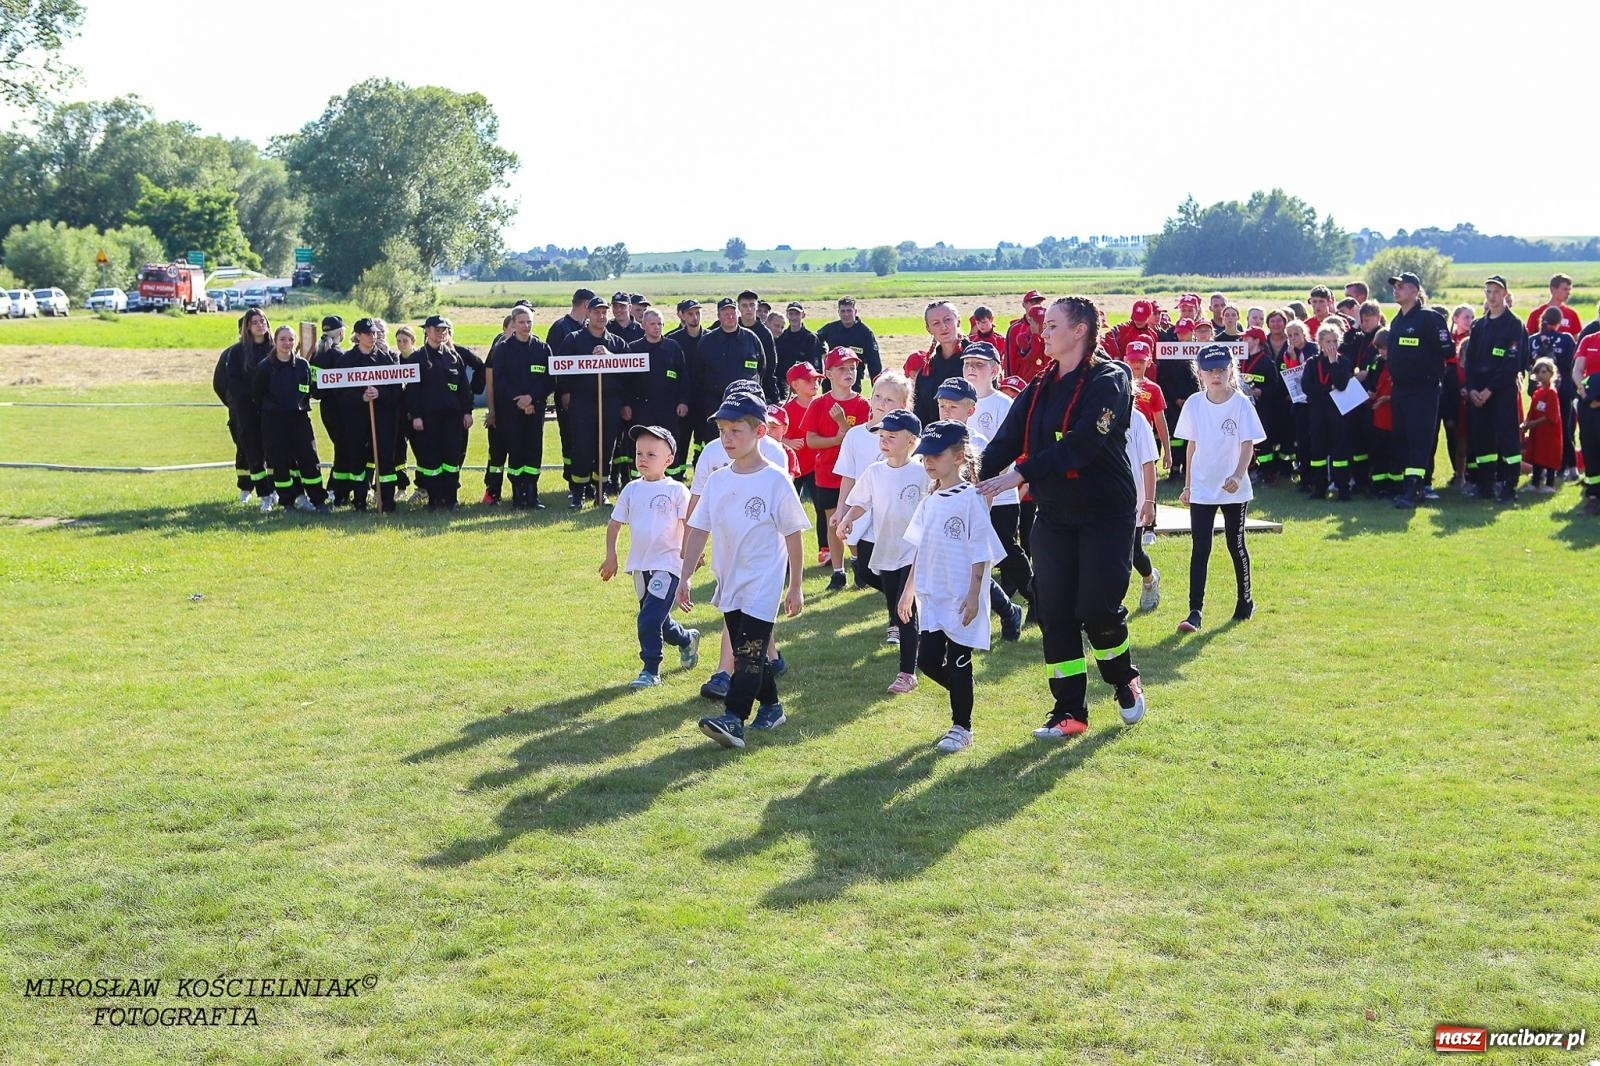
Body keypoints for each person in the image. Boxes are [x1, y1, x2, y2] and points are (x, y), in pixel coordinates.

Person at [979, 296, 1146, 738]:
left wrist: (1020, 472)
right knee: (1053, 611)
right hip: (1054, 515)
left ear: (1080, 331)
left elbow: (1082, 445)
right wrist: (969, 474)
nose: (1043, 333)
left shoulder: (1110, 380)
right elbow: (1004, 440)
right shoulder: (1039, 386)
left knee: (1096, 608)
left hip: (1104, 515)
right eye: (1043, 325)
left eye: (1052, 325)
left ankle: (1122, 676)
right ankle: (1069, 711)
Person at [680, 390, 808, 750]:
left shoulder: (776, 480)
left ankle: (734, 718)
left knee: (750, 651)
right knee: (745, 650)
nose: (728, 438)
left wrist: (795, 585)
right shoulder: (718, 480)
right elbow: (699, 529)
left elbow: (795, 536)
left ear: (760, 433)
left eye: (737, 430)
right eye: (723, 430)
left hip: (763, 581)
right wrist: (686, 574)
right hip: (730, 579)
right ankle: (772, 706)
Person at [887, 419, 1008, 754]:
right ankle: (962, 694)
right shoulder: (930, 500)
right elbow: (920, 549)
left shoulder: (971, 499)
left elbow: (981, 551)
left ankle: (961, 726)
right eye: (925, 455)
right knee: (926, 661)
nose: (927, 462)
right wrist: (909, 589)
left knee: (958, 659)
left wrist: (974, 595)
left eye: (935, 455)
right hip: (933, 596)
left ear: (958, 457)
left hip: (961, 597)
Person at [1174, 344, 1266, 632]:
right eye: (1209, 371)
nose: (1215, 376)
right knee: (1200, 547)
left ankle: (1245, 601)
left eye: (1221, 370)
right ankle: (1194, 612)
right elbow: (1191, 445)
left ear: (1230, 371)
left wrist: (1238, 476)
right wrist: (1188, 485)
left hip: (1232, 490)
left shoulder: (1240, 403)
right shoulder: (1193, 404)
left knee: (1234, 544)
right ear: (1199, 374)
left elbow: (1247, 443)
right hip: (1202, 487)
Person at [601, 424, 701, 689]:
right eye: (639, 453)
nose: (643, 459)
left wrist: (691, 555)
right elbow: (614, 525)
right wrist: (611, 556)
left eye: (651, 455)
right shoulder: (631, 490)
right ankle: (686, 638)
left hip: (668, 565)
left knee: (648, 619)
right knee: (658, 619)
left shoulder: (677, 490)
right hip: (640, 566)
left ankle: (650, 670)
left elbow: (691, 524)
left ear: (668, 460)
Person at [836, 409, 927, 693]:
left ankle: (907, 673)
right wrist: (849, 518)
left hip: (914, 552)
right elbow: (862, 500)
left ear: (911, 440)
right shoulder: (875, 471)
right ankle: (919, 639)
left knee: (904, 610)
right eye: (882, 436)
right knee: (884, 594)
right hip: (885, 547)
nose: (884, 441)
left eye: (892, 436)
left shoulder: (923, 471)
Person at [933, 374, 1025, 641]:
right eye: (942, 406)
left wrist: (980, 520)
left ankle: (1008, 612)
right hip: (940, 516)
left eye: (953, 406)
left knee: (972, 572)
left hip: (972, 518)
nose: (946, 411)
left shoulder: (979, 444)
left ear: (970, 410)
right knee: (953, 571)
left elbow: (986, 485)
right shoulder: (932, 438)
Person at [834, 370, 913, 598]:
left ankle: (900, 615)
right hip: (864, 515)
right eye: (877, 396)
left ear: (903, 403)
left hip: (897, 516)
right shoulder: (855, 436)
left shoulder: (909, 436)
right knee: (867, 571)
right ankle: (902, 598)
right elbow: (848, 476)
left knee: (897, 568)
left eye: (889, 399)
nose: (881, 403)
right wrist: (842, 510)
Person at [802, 347, 872, 590]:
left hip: (854, 474)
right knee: (833, 520)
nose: (849, 372)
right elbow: (811, 440)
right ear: (828, 373)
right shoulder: (819, 404)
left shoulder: (863, 404)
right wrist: (838, 437)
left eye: (852, 368)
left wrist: (843, 425)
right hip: (827, 473)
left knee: (854, 520)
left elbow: (864, 438)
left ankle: (857, 564)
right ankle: (838, 571)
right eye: (842, 368)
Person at [1385, 272, 1453, 508]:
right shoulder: (1397, 320)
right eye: (1395, 287)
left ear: (1415, 291)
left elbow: (1447, 350)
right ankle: (1408, 486)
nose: (1397, 290)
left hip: (1423, 389)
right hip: (1401, 390)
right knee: (1402, 438)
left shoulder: (1429, 318)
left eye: (1401, 286)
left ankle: (1415, 489)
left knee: (1418, 439)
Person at [557, 297, 628, 507]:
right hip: (583, 403)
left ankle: (601, 492)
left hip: (610, 403)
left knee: (606, 449)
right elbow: (561, 370)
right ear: (588, 314)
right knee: (582, 448)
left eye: (605, 312)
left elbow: (629, 372)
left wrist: (610, 357)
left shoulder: (616, 342)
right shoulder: (574, 339)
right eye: (597, 312)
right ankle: (578, 494)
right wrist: (566, 394)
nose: (601, 316)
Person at [1463, 276, 1527, 504]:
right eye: (1488, 291)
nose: (1492, 296)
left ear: (1505, 294)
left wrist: (1489, 390)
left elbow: (1511, 363)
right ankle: (1485, 486)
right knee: (1482, 441)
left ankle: (1510, 487)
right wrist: (1472, 389)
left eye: (1496, 292)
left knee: (1508, 440)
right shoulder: (1479, 325)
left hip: (1501, 392)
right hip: (1478, 393)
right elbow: (1469, 361)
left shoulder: (1514, 324)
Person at [403, 315, 476, 512]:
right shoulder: (417, 358)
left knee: (452, 460)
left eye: (444, 329)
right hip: (428, 419)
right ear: (426, 330)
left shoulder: (454, 357)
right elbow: (412, 392)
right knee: (431, 461)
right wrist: (416, 415)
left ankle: (450, 499)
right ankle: (434, 500)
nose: (441, 333)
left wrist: (467, 412)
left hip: (452, 418)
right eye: (437, 329)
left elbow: (463, 388)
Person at [253, 325, 330, 514]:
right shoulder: (265, 367)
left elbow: (309, 389)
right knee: (279, 462)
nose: (287, 343)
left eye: (291, 339)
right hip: (274, 421)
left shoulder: (303, 365)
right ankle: (287, 503)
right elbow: (257, 395)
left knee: (309, 459)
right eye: (283, 339)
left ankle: (318, 501)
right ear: (276, 341)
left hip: (299, 419)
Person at [491, 306, 555, 508]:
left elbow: (549, 380)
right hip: (511, 410)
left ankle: (532, 494)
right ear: (513, 324)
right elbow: (499, 381)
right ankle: (518, 494)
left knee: (534, 449)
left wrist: (531, 398)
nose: (526, 326)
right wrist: (518, 400)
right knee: (516, 449)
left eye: (529, 322)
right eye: (521, 322)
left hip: (535, 409)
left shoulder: (542, 348)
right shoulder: (502, 350)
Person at [338, 317, 403, 512]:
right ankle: (359, 501)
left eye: (374, 333)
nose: (372, 337)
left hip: (383, 418)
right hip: (356, 419)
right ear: (357, 336)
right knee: (357, 459)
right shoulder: (346, 361)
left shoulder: (387, 358)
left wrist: (380, 393)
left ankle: (387, 501)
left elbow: (397, 390)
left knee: (385, 460)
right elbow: (338, 393)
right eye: (368, 334)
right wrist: (360, 397)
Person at [212, 308, 275, 504]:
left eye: (262, 321)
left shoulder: (275, 348)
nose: (259, 325)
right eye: (254, 322)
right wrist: (237, 405)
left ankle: (274, 490)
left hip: (271, 411)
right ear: (246, 327)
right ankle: (250, 489)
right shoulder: (235, 353)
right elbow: (224, 384)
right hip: (244, 411)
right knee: (248, 450)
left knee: (273, 452)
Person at [691, 298, 770, 448]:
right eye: (725, 313)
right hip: (716, 404)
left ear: (737, 313)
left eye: (732, 312)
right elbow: (698, 374)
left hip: (747, 405)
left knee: (746, 445)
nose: (730, 316)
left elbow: (762, 368)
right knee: (719, 445)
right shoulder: (707, 341)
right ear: (719, 316)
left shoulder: (751, 339)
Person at [623, 309, 691, 480]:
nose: (657, 327)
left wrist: (683, 401)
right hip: (641, 408)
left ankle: (673, 480)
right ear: (643, 325)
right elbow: (625, 382)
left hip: (668, 408)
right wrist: (626, 405)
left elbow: (684, 377)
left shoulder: (673, 347)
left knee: (668, 444)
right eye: (652, 324)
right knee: (642, 445)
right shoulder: (634, 349)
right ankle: (638, 481)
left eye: (660, 324)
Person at [1300, 324, 1355, 500]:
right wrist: (1327, 388)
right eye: (1327, 341)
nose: (1331, 345)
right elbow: (1307, 387)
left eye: (1334, 341)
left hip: (1338, 412)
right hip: (1317, 411)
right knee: (1318, 450)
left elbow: (1341, 384)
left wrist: (1333, 363)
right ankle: (1319, 488)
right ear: (1320, 343)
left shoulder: (1343, 361)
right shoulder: (1312, 362)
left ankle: (1343, 488)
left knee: (1340, 450)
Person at [1525, 306, 1580, 479]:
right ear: (1559, 322)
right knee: (1563, 428)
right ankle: (1569, 467)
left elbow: (1527, 364)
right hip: (1561, 391)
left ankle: (1540, 470)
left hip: (1538, 391)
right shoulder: (1565, 339)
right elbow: (1572, 365)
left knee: (1539, 431)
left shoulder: (1532, 340)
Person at [1338, 303, 1385, 495]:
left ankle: (1373, 480)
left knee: (1371, 440)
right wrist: (1355, 326)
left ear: (1377, 317)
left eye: (1367, 320)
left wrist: (1368, 374)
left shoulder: (1382, 336)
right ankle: (1360, 480)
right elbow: (1344, 346)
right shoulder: (1358, 336)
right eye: (1362, 320)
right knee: (1356, 441)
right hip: (1354, 393)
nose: (1364, 324)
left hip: (1371, 394)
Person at [780, 362, 824, 558]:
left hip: (817, 466)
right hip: (792, 468)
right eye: (809, 380)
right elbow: (771, 434)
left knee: (823, 508)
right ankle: (783, 553)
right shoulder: (786, 410)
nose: (814, 384)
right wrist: (787, 440)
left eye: (816, 379)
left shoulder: (822, 405)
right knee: (787, 511)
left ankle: (826, 549)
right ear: (795, 385)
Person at [309, 315, 349, 505]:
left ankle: (337, 488)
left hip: (326, 408)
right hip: (340, 409)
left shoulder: (318, 354)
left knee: (341, 448)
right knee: (343, 449)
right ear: (341, 333)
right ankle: (334, 490)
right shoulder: (338, 355)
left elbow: (315, 389)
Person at [1238, 328, 1287, 484]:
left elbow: (1275, 386)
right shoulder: (1240, 359)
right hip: (1243, 407)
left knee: (1262, 442)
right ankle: (1249, 470)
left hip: (1262, 408)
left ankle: (1268, 473)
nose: (1243, 341)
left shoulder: (1266, 361)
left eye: (1246, 338)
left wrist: (1261, 391)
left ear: (1257, 341)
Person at [1125, 401, 1160, 612]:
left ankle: (1150, 579)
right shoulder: (1094, 413)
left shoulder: (1137, 419)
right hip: (1103, 499)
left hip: (1133, 498)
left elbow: (1149, 464)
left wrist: (1149, 502)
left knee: (1134, 551)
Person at [815, 296, 882, 391]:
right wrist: (823, 354)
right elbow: (814, 339)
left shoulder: (865, 333)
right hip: (831, 381)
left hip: (853, 381)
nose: (846, 314)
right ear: (838, 312)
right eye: (843, 311)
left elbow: (874, 363)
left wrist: (877, 389)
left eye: (849, 311)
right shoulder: (831, 329)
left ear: (855, 311)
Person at [1522, 357, 1564, 493]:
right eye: (1538, 372)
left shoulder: (1551, 393)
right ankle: (1535, 483)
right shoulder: (1537, 392)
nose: (1541, 375)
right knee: (1536, 456)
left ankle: (1550, 484)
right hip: (1537, 432)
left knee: (1549, 456)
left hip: (1549, 432)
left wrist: (1533, 423)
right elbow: (1532, 411)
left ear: (1551, 374)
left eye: (1544, 372)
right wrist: (1527, 423)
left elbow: (1551, 416)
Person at [1368, 329, 1397, 493]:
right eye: (1379, 348)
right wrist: (1371, 392)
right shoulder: (1377, 362)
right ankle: (1378, 486)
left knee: (1394, 452)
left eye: (1385, 348)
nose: (1382, 352)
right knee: (1378, 452)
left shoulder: (1399, 363)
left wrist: (1387, 399)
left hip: (1393, 414)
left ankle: (1394, 487)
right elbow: (1373, 382)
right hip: (1377, 415)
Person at [775, 301, 822, 384]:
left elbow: (816, 366)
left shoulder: (811, 338)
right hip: (783, 383)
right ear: (787, 315)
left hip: (803, 383)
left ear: (803, 315)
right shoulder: (782, 337)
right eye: (791, 314)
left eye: (797, 314)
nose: (794, 317)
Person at [1003, 290, 1048, 375]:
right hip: (1023, 381)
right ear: (1024, 305)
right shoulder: (1015, 328)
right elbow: (1010, 359)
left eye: (1038, 302)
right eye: (1032, 302)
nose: (1036, 304)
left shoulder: (1048, 327)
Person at [1525, 273, 1583, 338]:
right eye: (1565, 289)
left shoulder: (1572, 314)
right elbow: (1529, 339)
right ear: (1553, 289)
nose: (1568, 293)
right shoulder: (1536, 313)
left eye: (1569, 289)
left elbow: (1575, 341)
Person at [1579, 358, 1600, 515]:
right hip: (1588, 414)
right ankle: (1593, 497)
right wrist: (1587, 396)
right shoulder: (1591, 378)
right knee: (1591, 453)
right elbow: (1577, 374)